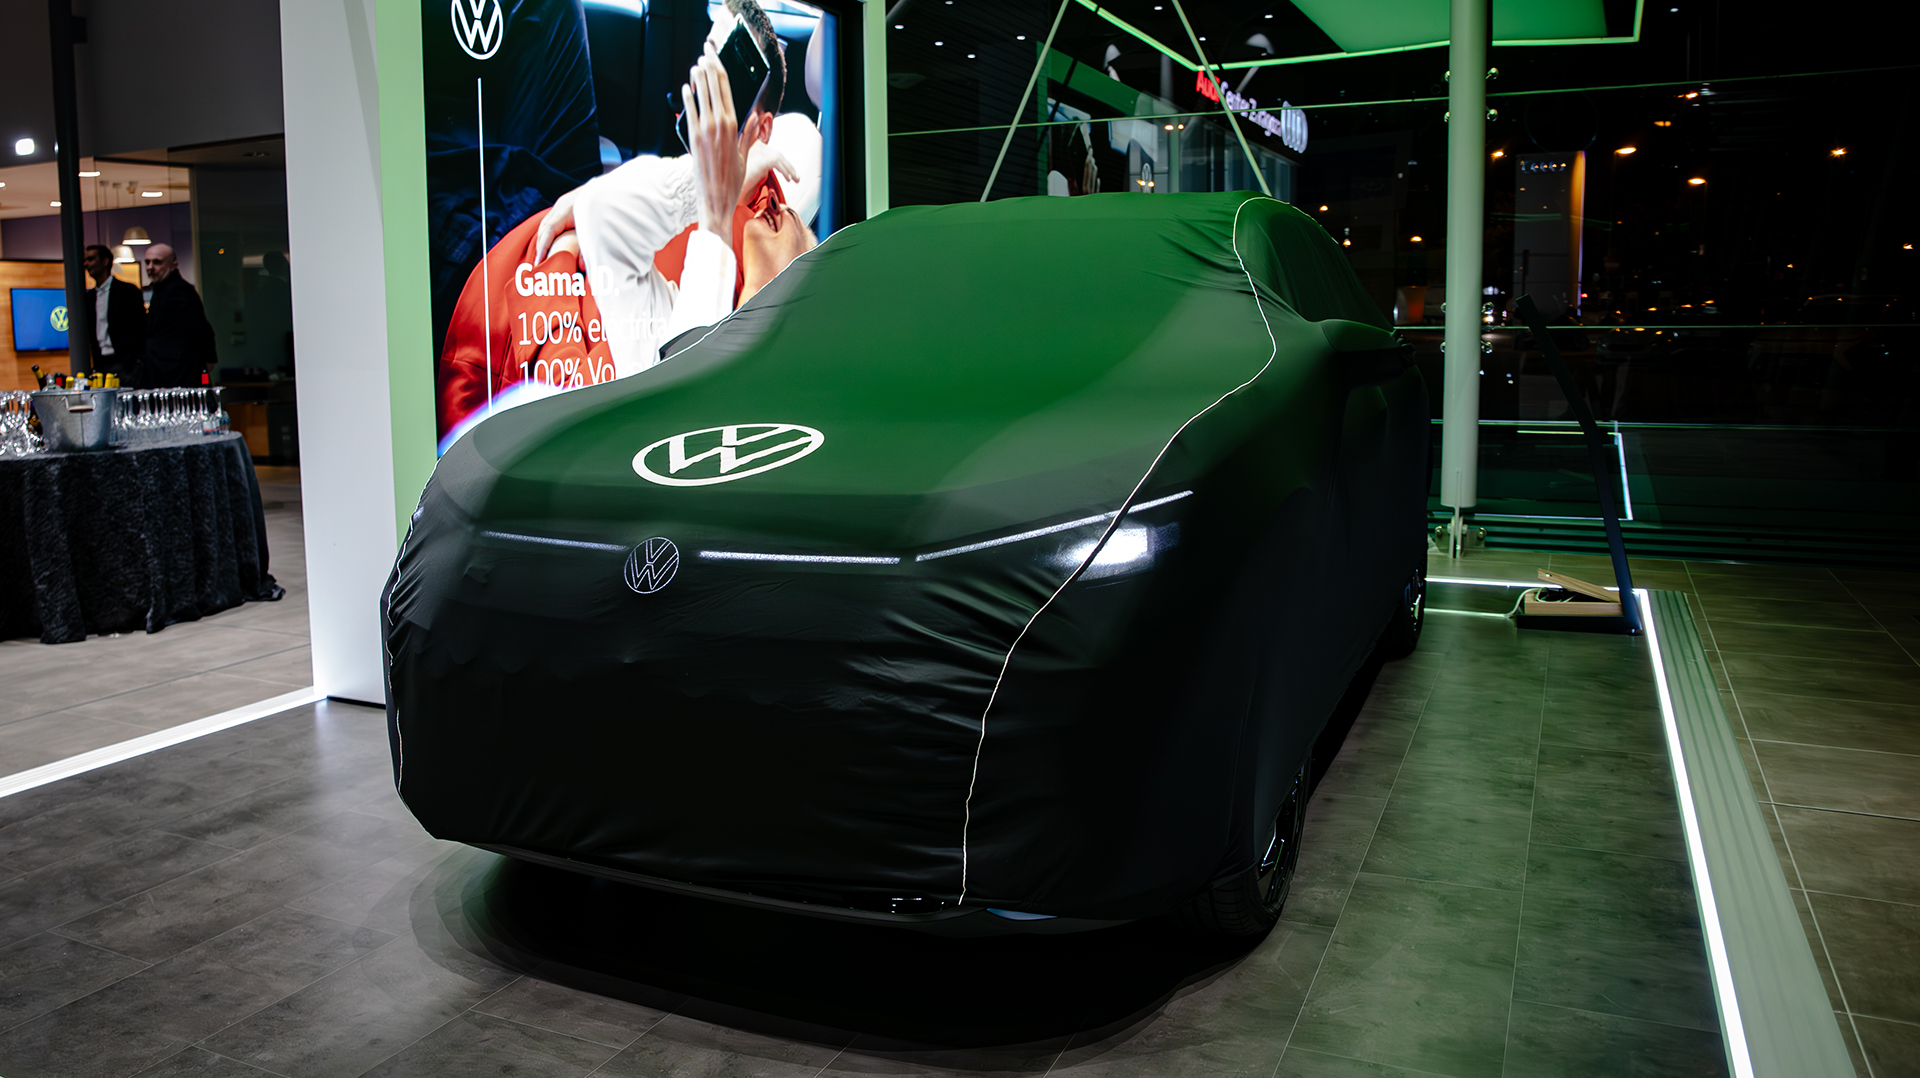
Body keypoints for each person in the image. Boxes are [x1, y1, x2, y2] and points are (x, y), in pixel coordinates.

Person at [140, 244, 217, 387]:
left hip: (178, 370)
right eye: (147, 262)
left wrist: (208, 358)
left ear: (173, 264)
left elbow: (200, 327)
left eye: (157, 262)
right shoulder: (163, 289)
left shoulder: (178, 290)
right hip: (168, 367)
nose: (150, 267)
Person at [80, 244, 145, 379]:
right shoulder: (89, 298)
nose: (86, 264)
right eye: (85, 260)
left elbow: (141, 328)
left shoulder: (127, 291)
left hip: (126, 364)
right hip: (101, 365)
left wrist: (137, 362)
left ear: (105, 261)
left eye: (91, 259)